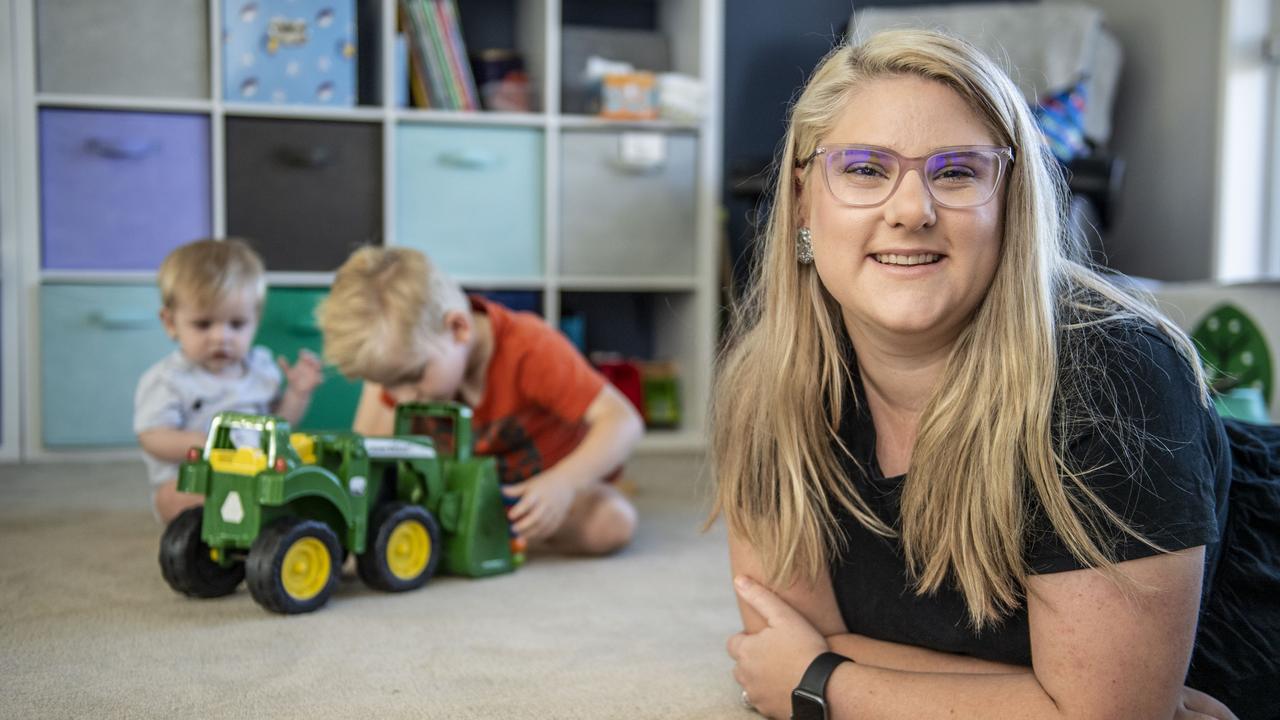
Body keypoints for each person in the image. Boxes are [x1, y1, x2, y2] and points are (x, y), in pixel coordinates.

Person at [712, 29, 1276, 720]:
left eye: (955, 172)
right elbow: (782, 635)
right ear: (804, 201)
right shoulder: (766, 383)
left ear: (1011, 203)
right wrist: (1045, 697)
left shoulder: (1110, 379)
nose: (911, 210)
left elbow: (1105, 715)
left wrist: (824, 680)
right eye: (864, 169)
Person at [315, 246, 642, 555]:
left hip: (540, 490)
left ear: (458, 329)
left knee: (610, 523)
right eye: (388, 383)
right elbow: (366, 461)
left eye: (412, 377)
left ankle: (501, 529)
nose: (401, 399)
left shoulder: (530, 348)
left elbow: (623, 421)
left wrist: (563, 483)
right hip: (456, 493)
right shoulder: (405, 368)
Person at [134, 238, 323, 524]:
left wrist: (298, 393)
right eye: (203, 324)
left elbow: (280, 425)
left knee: (308, 476)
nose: (221, 337)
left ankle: (264, 520)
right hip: (196, 481)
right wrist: (207, 444)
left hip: (257, 477)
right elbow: (152, 438)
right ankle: (235, 520)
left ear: (255, 321)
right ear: (171, 323)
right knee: (170, 497)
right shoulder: (168, 380)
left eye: (236, 324)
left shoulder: (261, 368)